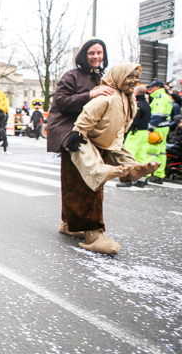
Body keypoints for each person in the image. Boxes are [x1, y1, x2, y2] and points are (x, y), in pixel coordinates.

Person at [67, 64, 159, 255]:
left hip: (110, 140)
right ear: (118, 77)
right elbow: (88, 114)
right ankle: (105, 172)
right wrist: (78, 131)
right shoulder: (107, 96)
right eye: (129, 77)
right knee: (89, 160)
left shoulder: (129, 99)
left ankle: (133, 169)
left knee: (123, 153)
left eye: (136, 77)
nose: (133, 81)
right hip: (89, 138)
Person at [46, 37, 112, 243]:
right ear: (83, 55)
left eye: (99, 53)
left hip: (94, 135)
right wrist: (90, 94)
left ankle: (68, 223)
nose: (95, 56)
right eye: (91, 53)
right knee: (80, 181)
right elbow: (61, 103)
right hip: (71, 134)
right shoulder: (71, 76)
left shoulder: (105, 77)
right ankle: (91, 229)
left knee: (85, 180)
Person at [118, 84, 152, 188]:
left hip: (135, 133)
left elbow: (134, 120)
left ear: (136, 93)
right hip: (143, 133)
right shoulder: (147, 105)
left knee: (128, 155)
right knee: (142, 156)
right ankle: (142, 180)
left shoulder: (137, 105)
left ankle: (127, 179)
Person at [145, 80, 172, 184]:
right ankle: (159, 175)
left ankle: (145, 174)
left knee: (152, 151)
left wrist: (150, 129)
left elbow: (157, 115)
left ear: (157, 87)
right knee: (161, 152)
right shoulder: (165, 97)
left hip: (158, 128)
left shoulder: (159, 98)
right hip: (164, 128)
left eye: (152, 87)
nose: (150, 89)